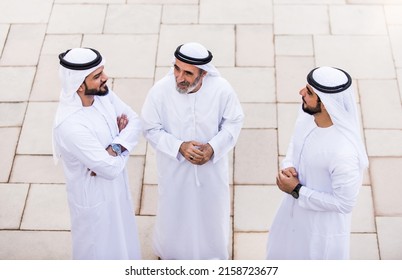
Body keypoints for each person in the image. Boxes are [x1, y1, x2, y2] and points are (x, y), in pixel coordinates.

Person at [141, 42, 244, 260]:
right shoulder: (160, 91)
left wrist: (213, 148)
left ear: (204, 73)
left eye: (188, 73)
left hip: (211, 171)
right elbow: (150, 128)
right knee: (174, 212)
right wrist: (179, 146)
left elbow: (233, 121)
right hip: (173, 169)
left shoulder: (222, 89)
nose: (179, 77)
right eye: (177, 69)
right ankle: (172, 254)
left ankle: (211, 256)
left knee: (211, 213)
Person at [266, 66, 369, 260]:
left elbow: (344, 203)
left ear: (327, 104)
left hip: (319, 231)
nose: (301, 93)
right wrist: (288, 164)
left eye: (309, 92)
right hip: (291, 214)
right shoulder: (308, 115)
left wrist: (297, 190)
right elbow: (295, 142)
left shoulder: (343, 153)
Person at [52, 47, 142, 259]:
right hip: (94, 201)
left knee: (124, 242)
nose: (105, 78)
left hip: (117, 191)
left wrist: (116, 146)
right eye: (97, 76)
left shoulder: (103, 95)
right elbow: (110, 169)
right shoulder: (71, 126)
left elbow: (135, 121)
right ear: (79, 86)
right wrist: (124, 140)